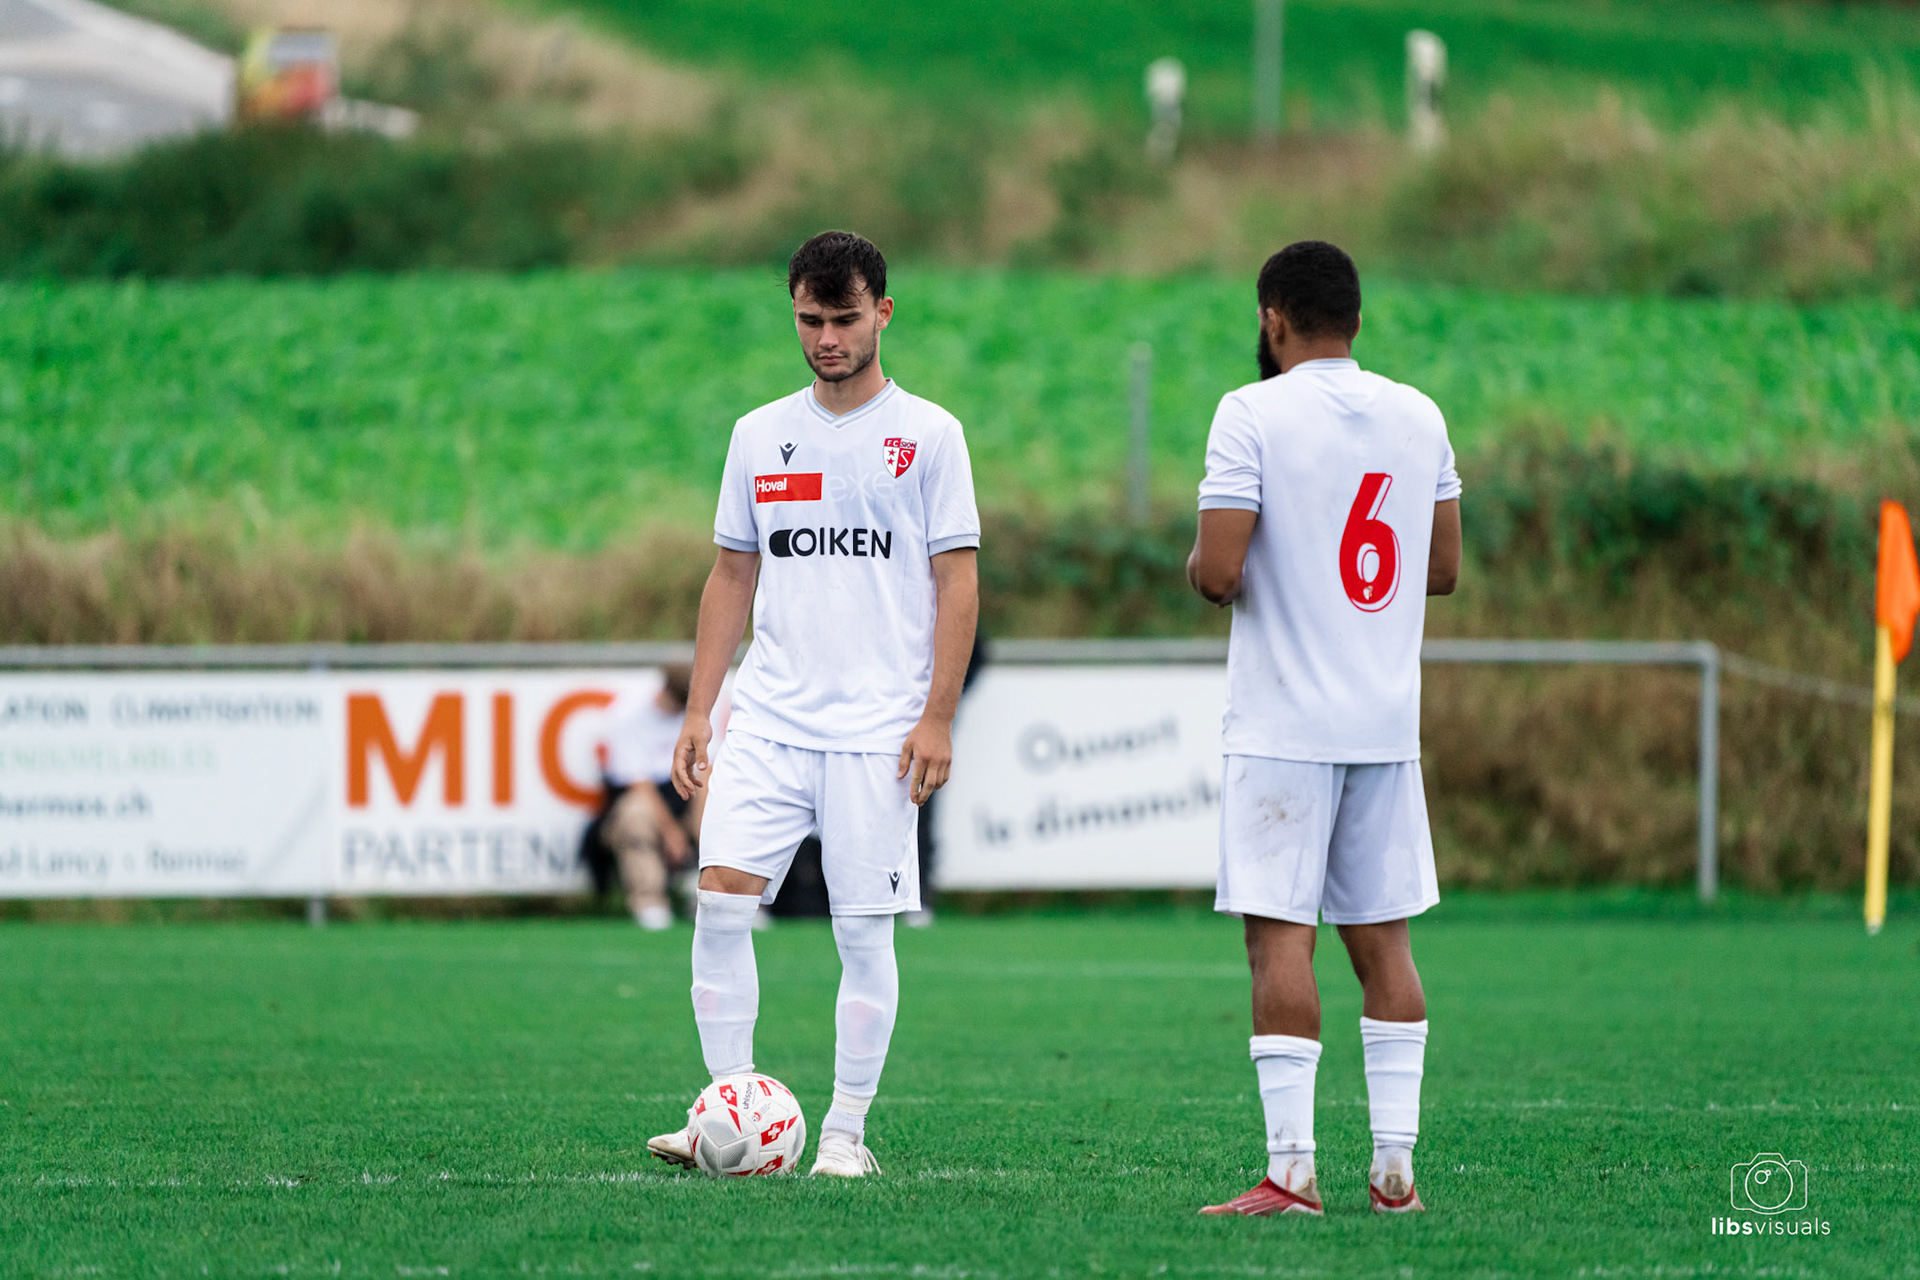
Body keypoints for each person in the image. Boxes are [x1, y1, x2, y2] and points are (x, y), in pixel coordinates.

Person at [647, 230, 981, 1179]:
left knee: (860, 932)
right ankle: (728, 1113)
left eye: (843, 319)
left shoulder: (931, 436)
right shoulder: (760, 435)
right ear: (792, 312)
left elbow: (957, 584)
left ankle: (843, 1135)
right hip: (769, 718)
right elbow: (729, 575)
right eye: (809, 319)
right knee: (718, 904)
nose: (826, 338)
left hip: (878, 729)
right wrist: (701, 710)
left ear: (883, 311)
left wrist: (938, 715)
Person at [1186, 240, 1462, 1217]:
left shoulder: (1249, 412)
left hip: (1283, 727)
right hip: (1385, 724)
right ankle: (1395, 1171)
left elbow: (1220, 572)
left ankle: (1292, 1171)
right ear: (1356, 316)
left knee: (1281, 946)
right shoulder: (1419, 413)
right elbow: (1439, 567)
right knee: (1383, 948)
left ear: (1273, 317)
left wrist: (1210, 563)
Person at [590, 664, 703, 930]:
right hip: (642, 796)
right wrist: (671, 832)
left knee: (724, 807)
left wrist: (702, 827)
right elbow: (639, 783)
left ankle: (715, 896)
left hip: (688, 790)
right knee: (636, 817)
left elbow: (707, 769)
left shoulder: (701, 712)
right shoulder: (628, 712)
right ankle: (650, 901)